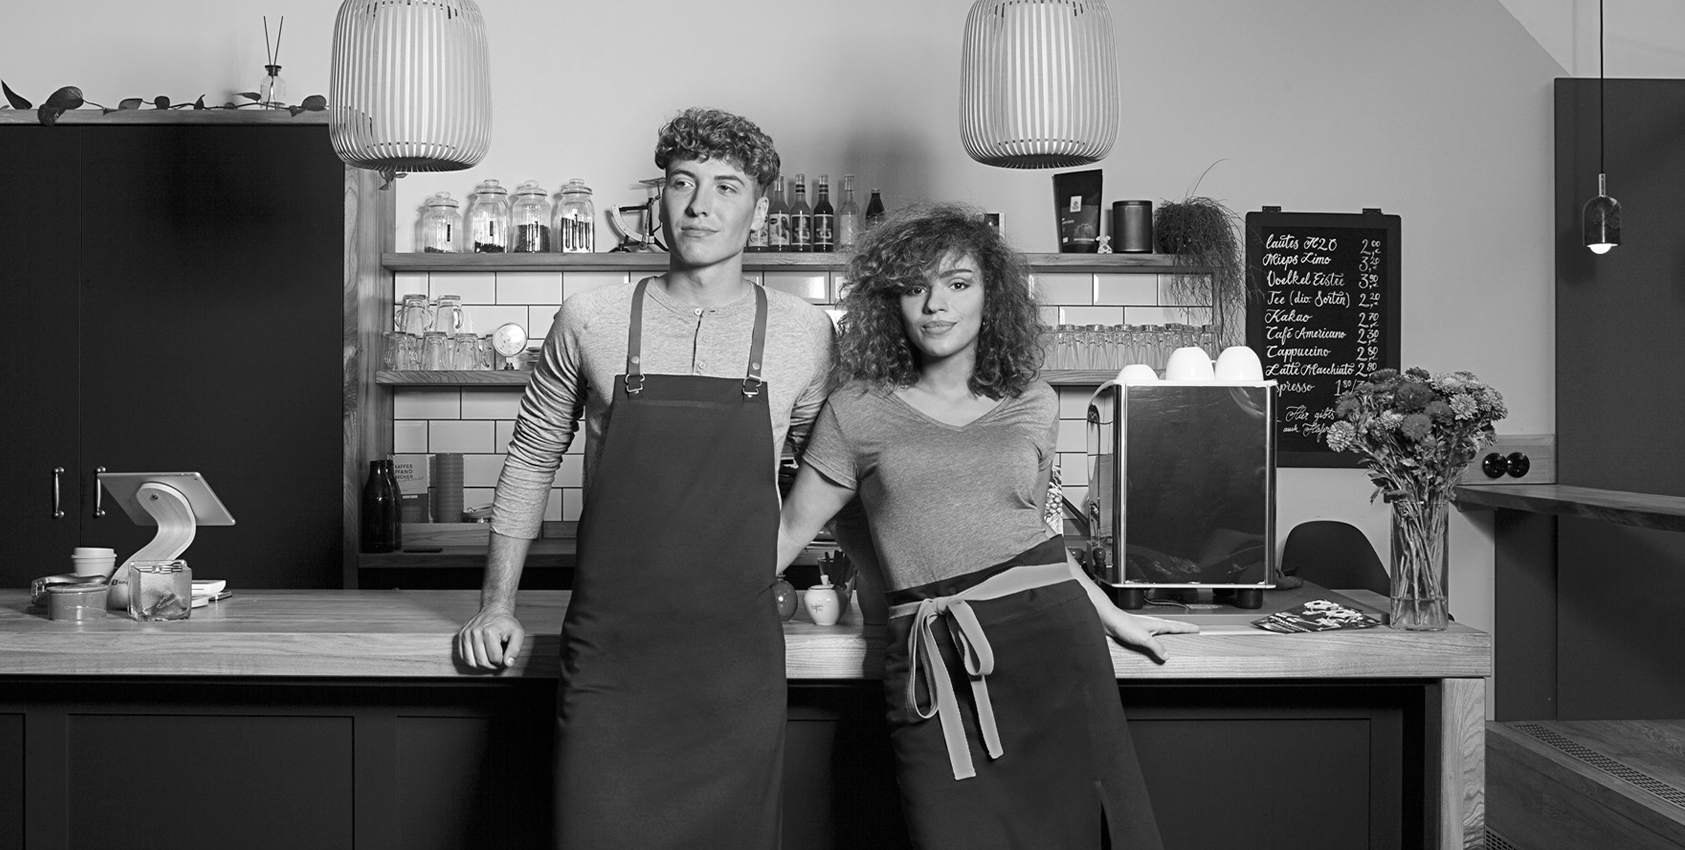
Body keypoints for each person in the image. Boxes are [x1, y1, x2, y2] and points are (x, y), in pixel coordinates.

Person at [454, 108, 836, 849]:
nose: (700, 206)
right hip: (612, 651)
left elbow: (832, 472)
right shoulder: (589, 319)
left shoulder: (805, 332)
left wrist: (865, 593)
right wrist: (496, 605)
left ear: (759, 212)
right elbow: (530, 459)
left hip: (736, 660)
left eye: (727, 187)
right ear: (659, 199)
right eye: (683, 183)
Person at [776, 202, 1198, 849]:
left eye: (957, 283)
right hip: (932, 652)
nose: (935, 305)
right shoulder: (854, 410)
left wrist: (1110, 611)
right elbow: (786, 535)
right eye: (915, 287)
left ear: (990, 295)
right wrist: (695, 612)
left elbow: (1034, 533)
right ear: (890, 302)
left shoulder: (1034, 401)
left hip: (1051, 642)